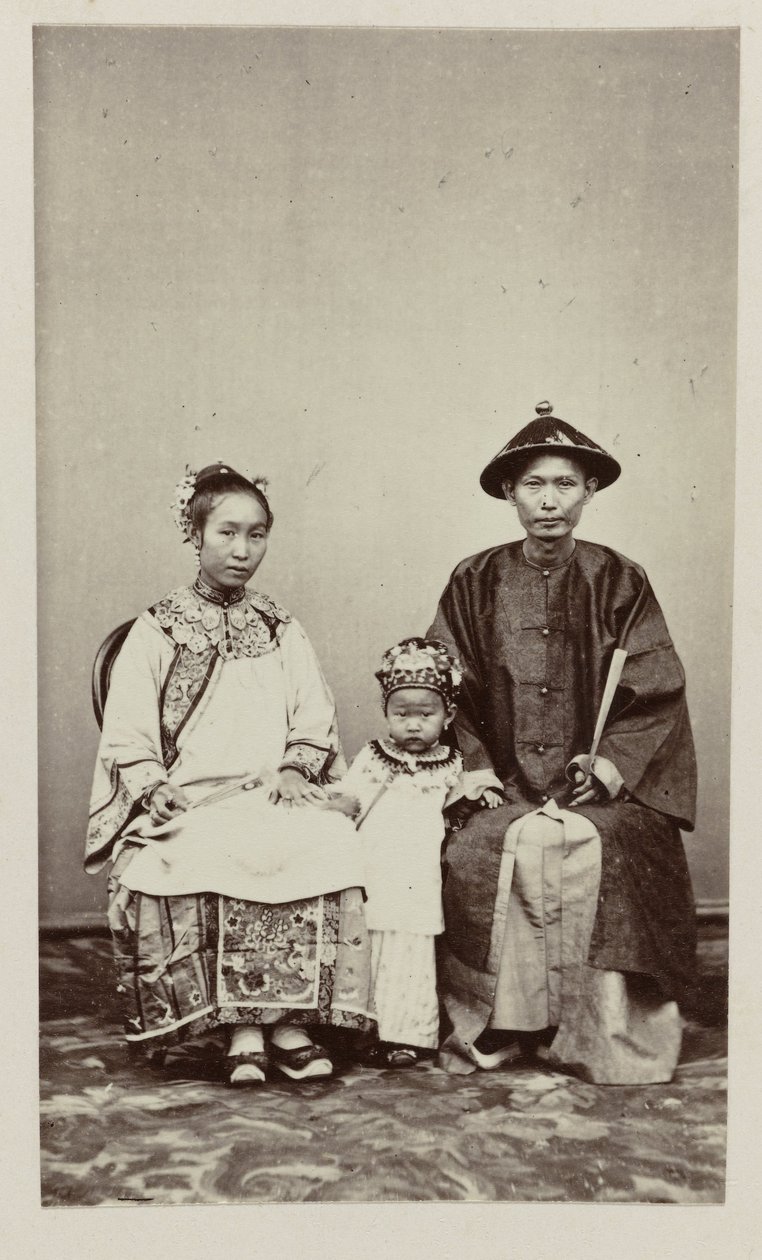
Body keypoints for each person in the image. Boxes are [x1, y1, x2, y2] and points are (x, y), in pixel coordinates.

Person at [428, 401, 698, 1084]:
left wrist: (609, 766)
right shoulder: (474, 580)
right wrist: (476, 769)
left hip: (598, 790)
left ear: (590, 491)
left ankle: (594, 1030)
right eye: (533, 485)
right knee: (492, 845)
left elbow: (655, 686)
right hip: (503, 783)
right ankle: (508, 1023)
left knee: (594, 843)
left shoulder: (621, 579)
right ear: (510, 493)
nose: (549, 501)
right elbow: (444, 688)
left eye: (565, 484)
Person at [85, 462, 375, 1086]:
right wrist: (154, 787)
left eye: (257, 534)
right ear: (195, 534)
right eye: (227, 532)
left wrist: (297, 768)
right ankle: (242, 1030)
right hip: (194, 801)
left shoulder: (280, 626)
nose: (243, 550)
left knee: (327, 839)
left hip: (275, 790)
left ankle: (289, 1023)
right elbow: (127, 733)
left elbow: (314, 716)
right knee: (207, 847)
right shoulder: (158, 628)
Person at [321, 638, 502, 1067]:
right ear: (386, 713)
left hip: (418, 880)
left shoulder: (452, 764)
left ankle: (408, 1037)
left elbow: (467, 793)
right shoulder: (373, 757)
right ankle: (361, 1035)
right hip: (376, 875)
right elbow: (350, 795)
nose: (413, 726)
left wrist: (484, 793)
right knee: (368, 951)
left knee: (411, 957)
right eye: (401, 715)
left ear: (448, 715)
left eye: (426, 715)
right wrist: (337, 803)